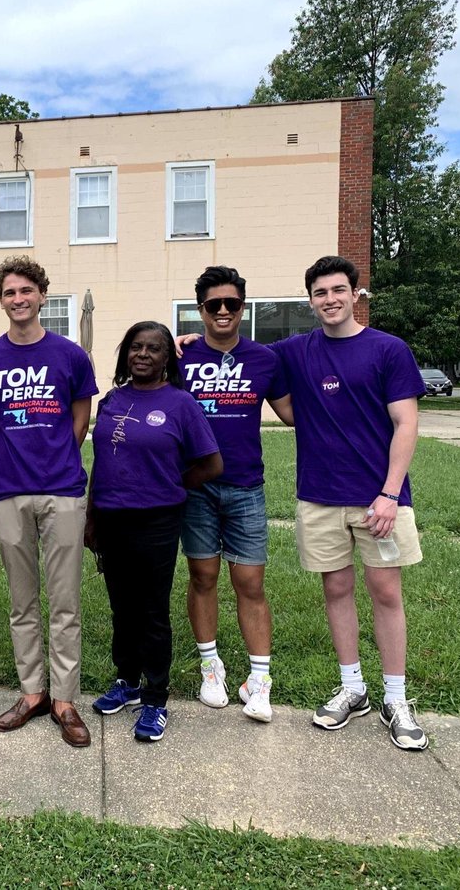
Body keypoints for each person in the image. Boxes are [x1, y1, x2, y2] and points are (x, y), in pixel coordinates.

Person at [273, 255, 429, 751]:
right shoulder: (296, 351)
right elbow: (242, 354)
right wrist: (188, 342)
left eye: (339, 290)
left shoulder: (388, 349)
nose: (330, 299)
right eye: (320, 293)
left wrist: (389, 493)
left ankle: (396, 699)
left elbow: (406, 423)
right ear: (310, 300)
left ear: (356, 293)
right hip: (319, 497)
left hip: (378, 500)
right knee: (336, 590)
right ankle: (353, 688)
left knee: (386, 592)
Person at [0, 256, 97, 748]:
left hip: (62, 488)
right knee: (22, 601)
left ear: (42, 295)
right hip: (9, 490)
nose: (18, 299)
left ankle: (64, 699)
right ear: (0, 300)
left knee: (65, 602)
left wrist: (57, 453)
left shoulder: (70, 356)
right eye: (10, 292)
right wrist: (11, 453)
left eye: (26, 290)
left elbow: (80, 415)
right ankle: (32, 692)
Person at [86, 322, 222, 743]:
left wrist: (170, 485)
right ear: (126, 353)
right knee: (121, 607)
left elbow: (212, 464)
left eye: (153, 348)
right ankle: (127, 681)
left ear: (167, 358)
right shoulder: (112, 400)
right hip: (111, 518)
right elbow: (101, 463)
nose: (142, 354)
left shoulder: (181, 404)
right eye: (136, 347)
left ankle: (155, 698)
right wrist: (91, 519)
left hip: (156, 521)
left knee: (151, 611)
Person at [178, 266, 292, 722]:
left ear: (243, 307)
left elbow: (291, 413)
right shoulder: (181, 356)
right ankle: (211, 668)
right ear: (201, 309)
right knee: (203, 576)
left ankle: (258, 680)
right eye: (214, 304)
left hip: (246, 485)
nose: (223, 311)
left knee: (250, 582)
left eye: (232, 303)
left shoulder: (264, 359)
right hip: (195, 486)